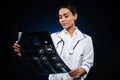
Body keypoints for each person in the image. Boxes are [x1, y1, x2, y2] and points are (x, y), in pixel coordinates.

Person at [13, 4, 94, 80]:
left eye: (66, 16)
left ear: (75, 16)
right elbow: (42, 58)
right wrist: (25, 54)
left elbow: (88, 62)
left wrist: (83, 70)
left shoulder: (86, 39)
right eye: (60, 17)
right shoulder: (53, 37)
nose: (62, 20)